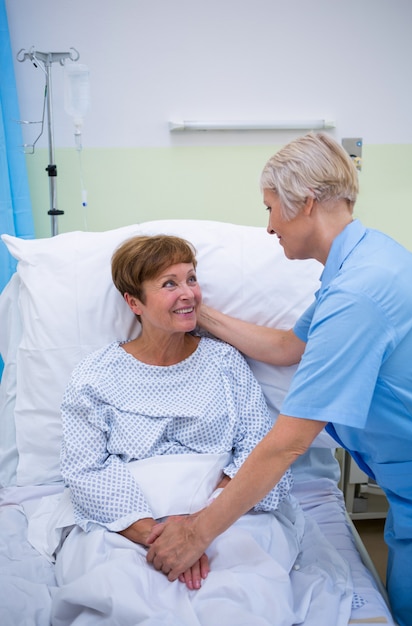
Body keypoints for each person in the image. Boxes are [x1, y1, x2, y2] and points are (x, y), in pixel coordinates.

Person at [146, 133, 412, 626]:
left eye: (271, 208)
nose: (268, 226)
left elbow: (289, 444)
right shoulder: (364, 260)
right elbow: (289, 348)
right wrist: (197, 312)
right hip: (404, 484)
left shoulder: (357, 294)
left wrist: (196, 534)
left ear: (306, 203)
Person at [50, 234, 311, 626]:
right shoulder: (95, 375)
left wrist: (200, 528)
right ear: (133, 302)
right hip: (127, 524)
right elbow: (85, 469)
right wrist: (155, 533)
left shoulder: (225, 363)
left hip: (226, 516)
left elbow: (259, 447)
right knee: (116, 592)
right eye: (169, 284)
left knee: (242, 596)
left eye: (191, 278)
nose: (188, 293)